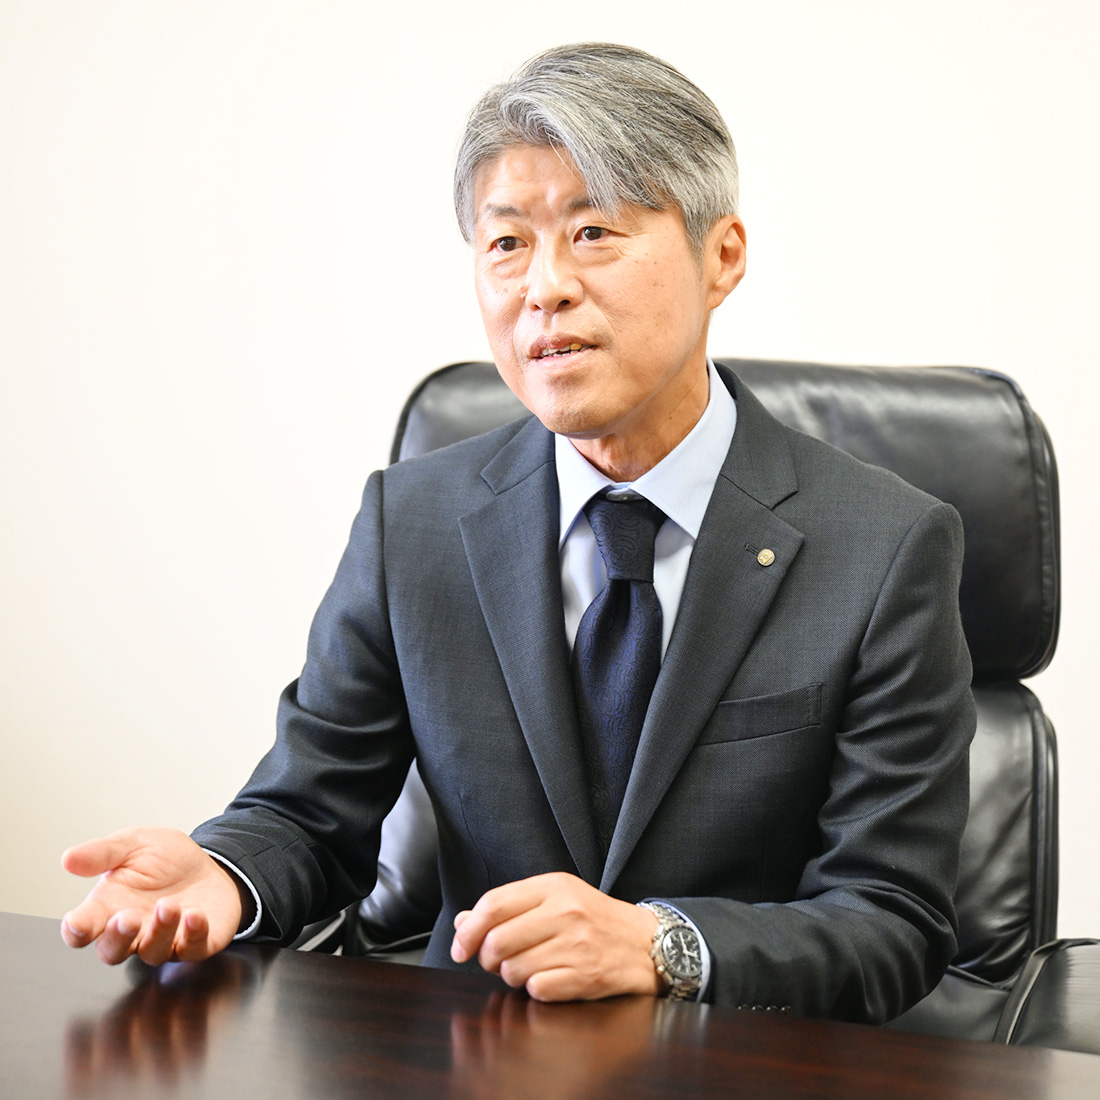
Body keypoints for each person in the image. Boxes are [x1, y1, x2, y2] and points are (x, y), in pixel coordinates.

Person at [61, 42, 975, 1021]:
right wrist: (223, 875)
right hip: (474, 1053)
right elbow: (308, 812)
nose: (543, 287)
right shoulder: (412, 524)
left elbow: (891, 919)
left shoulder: (881, 546)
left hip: (737, 1062)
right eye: (505, 243)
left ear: (722, 257)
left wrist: (662, 944)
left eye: (592, 231)